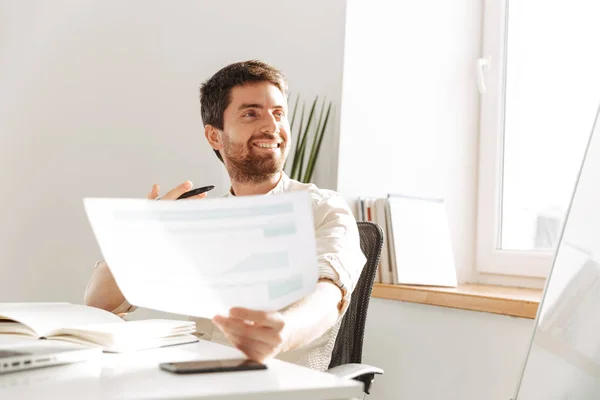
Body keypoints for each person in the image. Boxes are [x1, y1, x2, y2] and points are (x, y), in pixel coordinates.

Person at [84, 60, 366, 371]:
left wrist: (283, 332)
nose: (272, 127)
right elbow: (100, 303)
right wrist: (144, 236)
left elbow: (328, 295)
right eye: (251, 113)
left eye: (279, 113)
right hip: (197, 383)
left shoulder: (323, 208)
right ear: (215, 136)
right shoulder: (200, 220)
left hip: (282, 386)